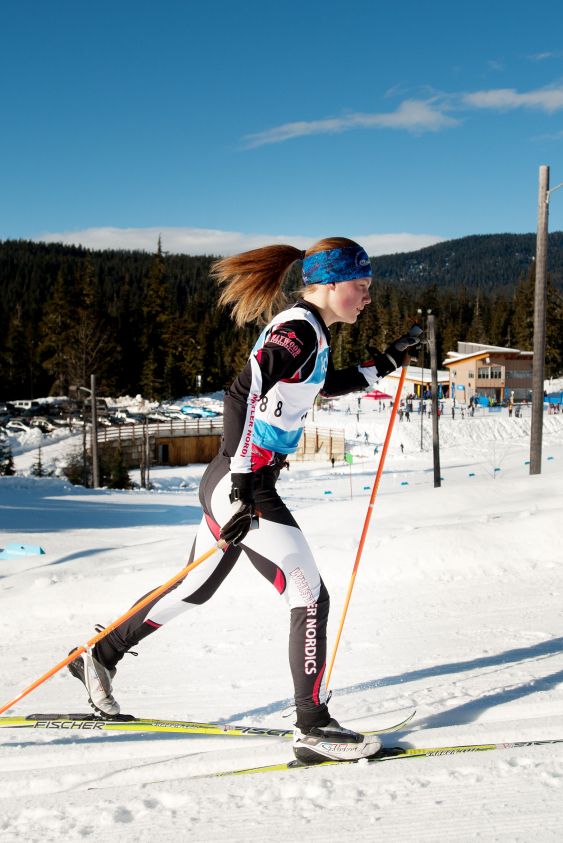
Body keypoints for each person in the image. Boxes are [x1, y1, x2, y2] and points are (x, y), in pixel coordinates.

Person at [68, 237, 423, 765]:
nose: (367, 297)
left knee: (194, 589)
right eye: (361, 286)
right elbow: (241, 393)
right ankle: (313, 725)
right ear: (327, 283)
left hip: (240, 479)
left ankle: (99, 657)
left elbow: (321, 386)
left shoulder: (313, 332)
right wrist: (240, 487)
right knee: (309, 595)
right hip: (244, 482)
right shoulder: (297, 330)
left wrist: (388, 361)